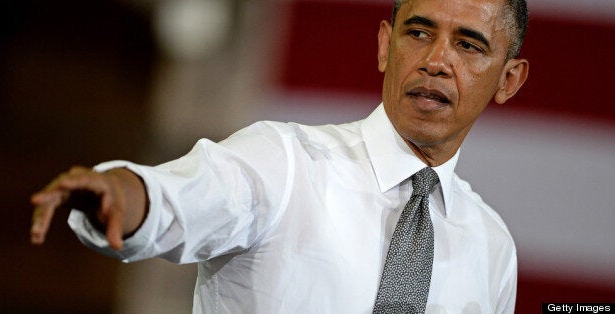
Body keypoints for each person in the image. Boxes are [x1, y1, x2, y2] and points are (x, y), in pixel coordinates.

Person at [30, 0, 529, 312]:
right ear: (385, 45)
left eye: (467, 45)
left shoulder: (493, 248)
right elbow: (177, 198)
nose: (436, 60)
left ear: (508, 80)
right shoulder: (283, 162)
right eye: (418, 33)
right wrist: (119, 191)